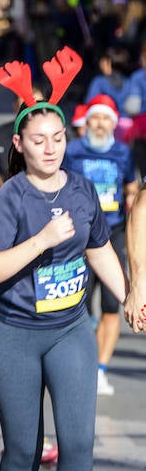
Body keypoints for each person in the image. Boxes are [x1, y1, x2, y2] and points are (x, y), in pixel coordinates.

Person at [0, 49, 127, 471]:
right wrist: (41, 240)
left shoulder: (83, 189)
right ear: (19, 144)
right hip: (11, 336)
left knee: (79, 441)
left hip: (69, 331)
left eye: (58, 138)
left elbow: (99, 249)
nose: (50, 148)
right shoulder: (11, 197)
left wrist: (131, 298)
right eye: (38, 140)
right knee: (24, 447)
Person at [62, 95, 137, 395]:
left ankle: (101, 369)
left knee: (111, 305)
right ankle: (78, 367)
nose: (100, 124)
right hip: (80, 235)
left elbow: (131, 188)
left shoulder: (123, 153)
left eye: (106, 118)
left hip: (114, 232)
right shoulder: (72, 150)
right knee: (77, 304)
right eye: (95, 118)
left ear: (114, 123)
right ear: (87, 121)